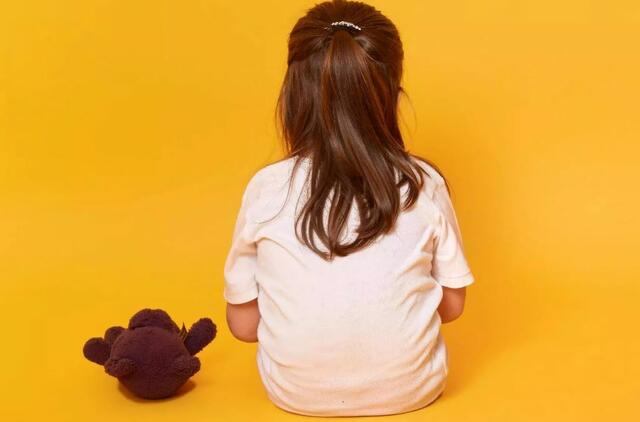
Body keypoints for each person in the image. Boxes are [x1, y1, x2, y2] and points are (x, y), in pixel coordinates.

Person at [222, 0, 474, 417]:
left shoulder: (266, 189)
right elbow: (451, 307)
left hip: (295, 397)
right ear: (393, 93)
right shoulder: (422, 183)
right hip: (413, 392)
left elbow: (244, 327)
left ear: (292, 96)